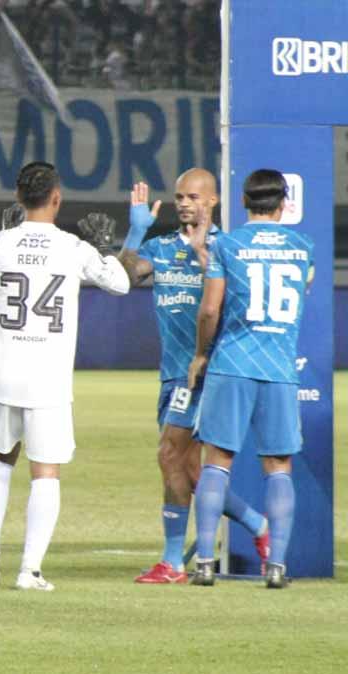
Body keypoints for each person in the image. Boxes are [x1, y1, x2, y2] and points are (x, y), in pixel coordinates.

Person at [0, 162, 130, 591]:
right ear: (56, 198)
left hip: (3, 373)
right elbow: (121, 285)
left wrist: (6, 236)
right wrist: (105, 247)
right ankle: (29, 570)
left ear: (17, 197)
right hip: (48, 378)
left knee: (0, 456)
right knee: (45, 471)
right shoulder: (73, 248)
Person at [117, 171, 270, 584]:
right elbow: (125, 277)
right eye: (180, 197)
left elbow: (233, 302)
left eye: (194, 197)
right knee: (192, 472)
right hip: (173, 373)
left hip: (207, 371)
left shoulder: (228, 248)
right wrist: (135, 233)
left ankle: (172, 563)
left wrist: (204, 254)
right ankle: (258, 525)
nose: (185, 203)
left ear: (213, 201)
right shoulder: (162, 247)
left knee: (170, 455)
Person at [189, 169, 314, 589]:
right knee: (278, 466)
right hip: (279, 368)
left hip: (232, 363)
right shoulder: (303, 247)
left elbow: (210, 309)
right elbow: (302, 290)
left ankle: (205, 563)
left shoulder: (226, 245)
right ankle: (276, 566)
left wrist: (201, 354)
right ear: (284, 204)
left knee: (216, 462)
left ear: (243, 202)